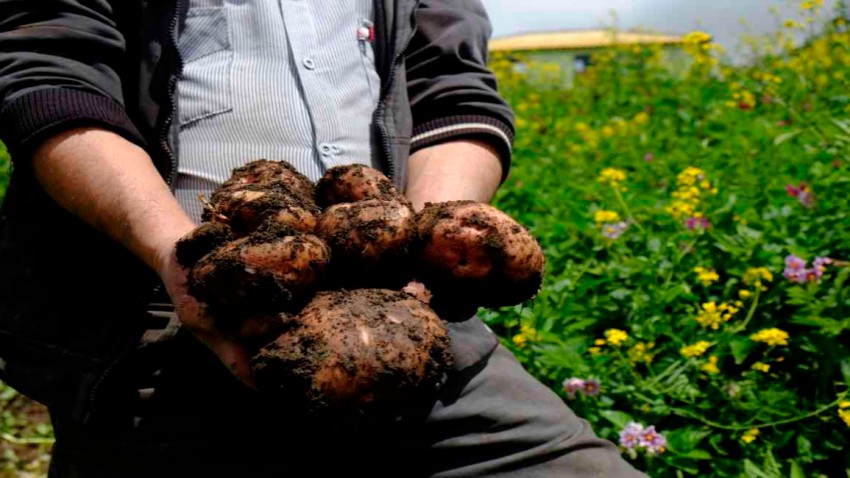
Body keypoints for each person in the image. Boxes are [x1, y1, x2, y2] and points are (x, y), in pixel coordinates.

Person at [0, 1, 645, 476]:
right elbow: (52, 79)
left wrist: (423, 239)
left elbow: (452, 90)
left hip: (403, 308)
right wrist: (180, 256)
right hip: (166, 311)